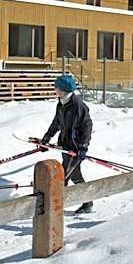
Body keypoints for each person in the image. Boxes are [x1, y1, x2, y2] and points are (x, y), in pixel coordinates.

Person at [32, 74, 94, 215]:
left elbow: (87, 126)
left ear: (64, 89)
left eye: (57, 87)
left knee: (62, 177)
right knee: (75, 176)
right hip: (66, 147)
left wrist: (83, 147)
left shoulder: (78, 105)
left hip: (75, 148)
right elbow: (56, 124)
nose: (55, 89)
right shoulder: (61, 103)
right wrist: (46, 139)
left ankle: (54, 208)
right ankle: (87, 203)